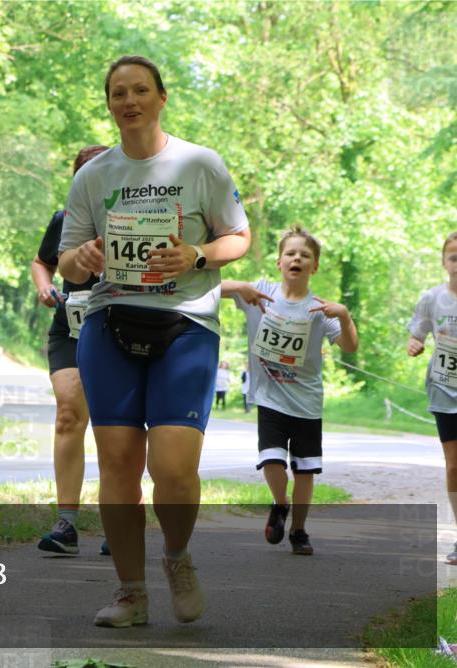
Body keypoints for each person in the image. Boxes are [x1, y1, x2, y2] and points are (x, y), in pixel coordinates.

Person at [58, 55, 251, 627]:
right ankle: (130, 593)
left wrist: (196, 254)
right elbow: (66, 263)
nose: (130, 101)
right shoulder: (93, 176)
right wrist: (83, 257)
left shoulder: (199, 163)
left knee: (172, 467)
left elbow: (238, 237)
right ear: (110, 104)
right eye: (119, 92)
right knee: (117, 464)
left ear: (161, 98)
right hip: (111, 321)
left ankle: (176, 557)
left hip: (186, 322)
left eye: (141, 90)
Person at [221, 226, 358, 556]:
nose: (297, 258)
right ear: (280, 262)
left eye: (305, 255)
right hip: (270, 397)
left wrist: (344, 315)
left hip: (307, 401)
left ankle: (299, 529)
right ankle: (280, 503)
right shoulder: (261, 292)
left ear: (315, 266)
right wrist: (240, 286)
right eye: (291, 253)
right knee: (270, 458)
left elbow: (350, 346)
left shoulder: (320, 309)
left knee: (305, 469)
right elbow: (212, 289)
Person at [32, 145, 110, 555]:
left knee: (116, 426)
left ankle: (120, 523)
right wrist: (45, 287)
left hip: (120, 327)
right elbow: (41, 262)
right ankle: (67, 523)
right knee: (68, 414)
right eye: (83, 174)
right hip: (71, 327)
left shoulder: (133, 220)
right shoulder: (64, 221)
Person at [407, 231, 457, 566]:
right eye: (453, 256)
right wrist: (415, 344)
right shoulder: (432, 298)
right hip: (444, 389)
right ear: (443, 262)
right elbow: (417, 332)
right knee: (455, 465)